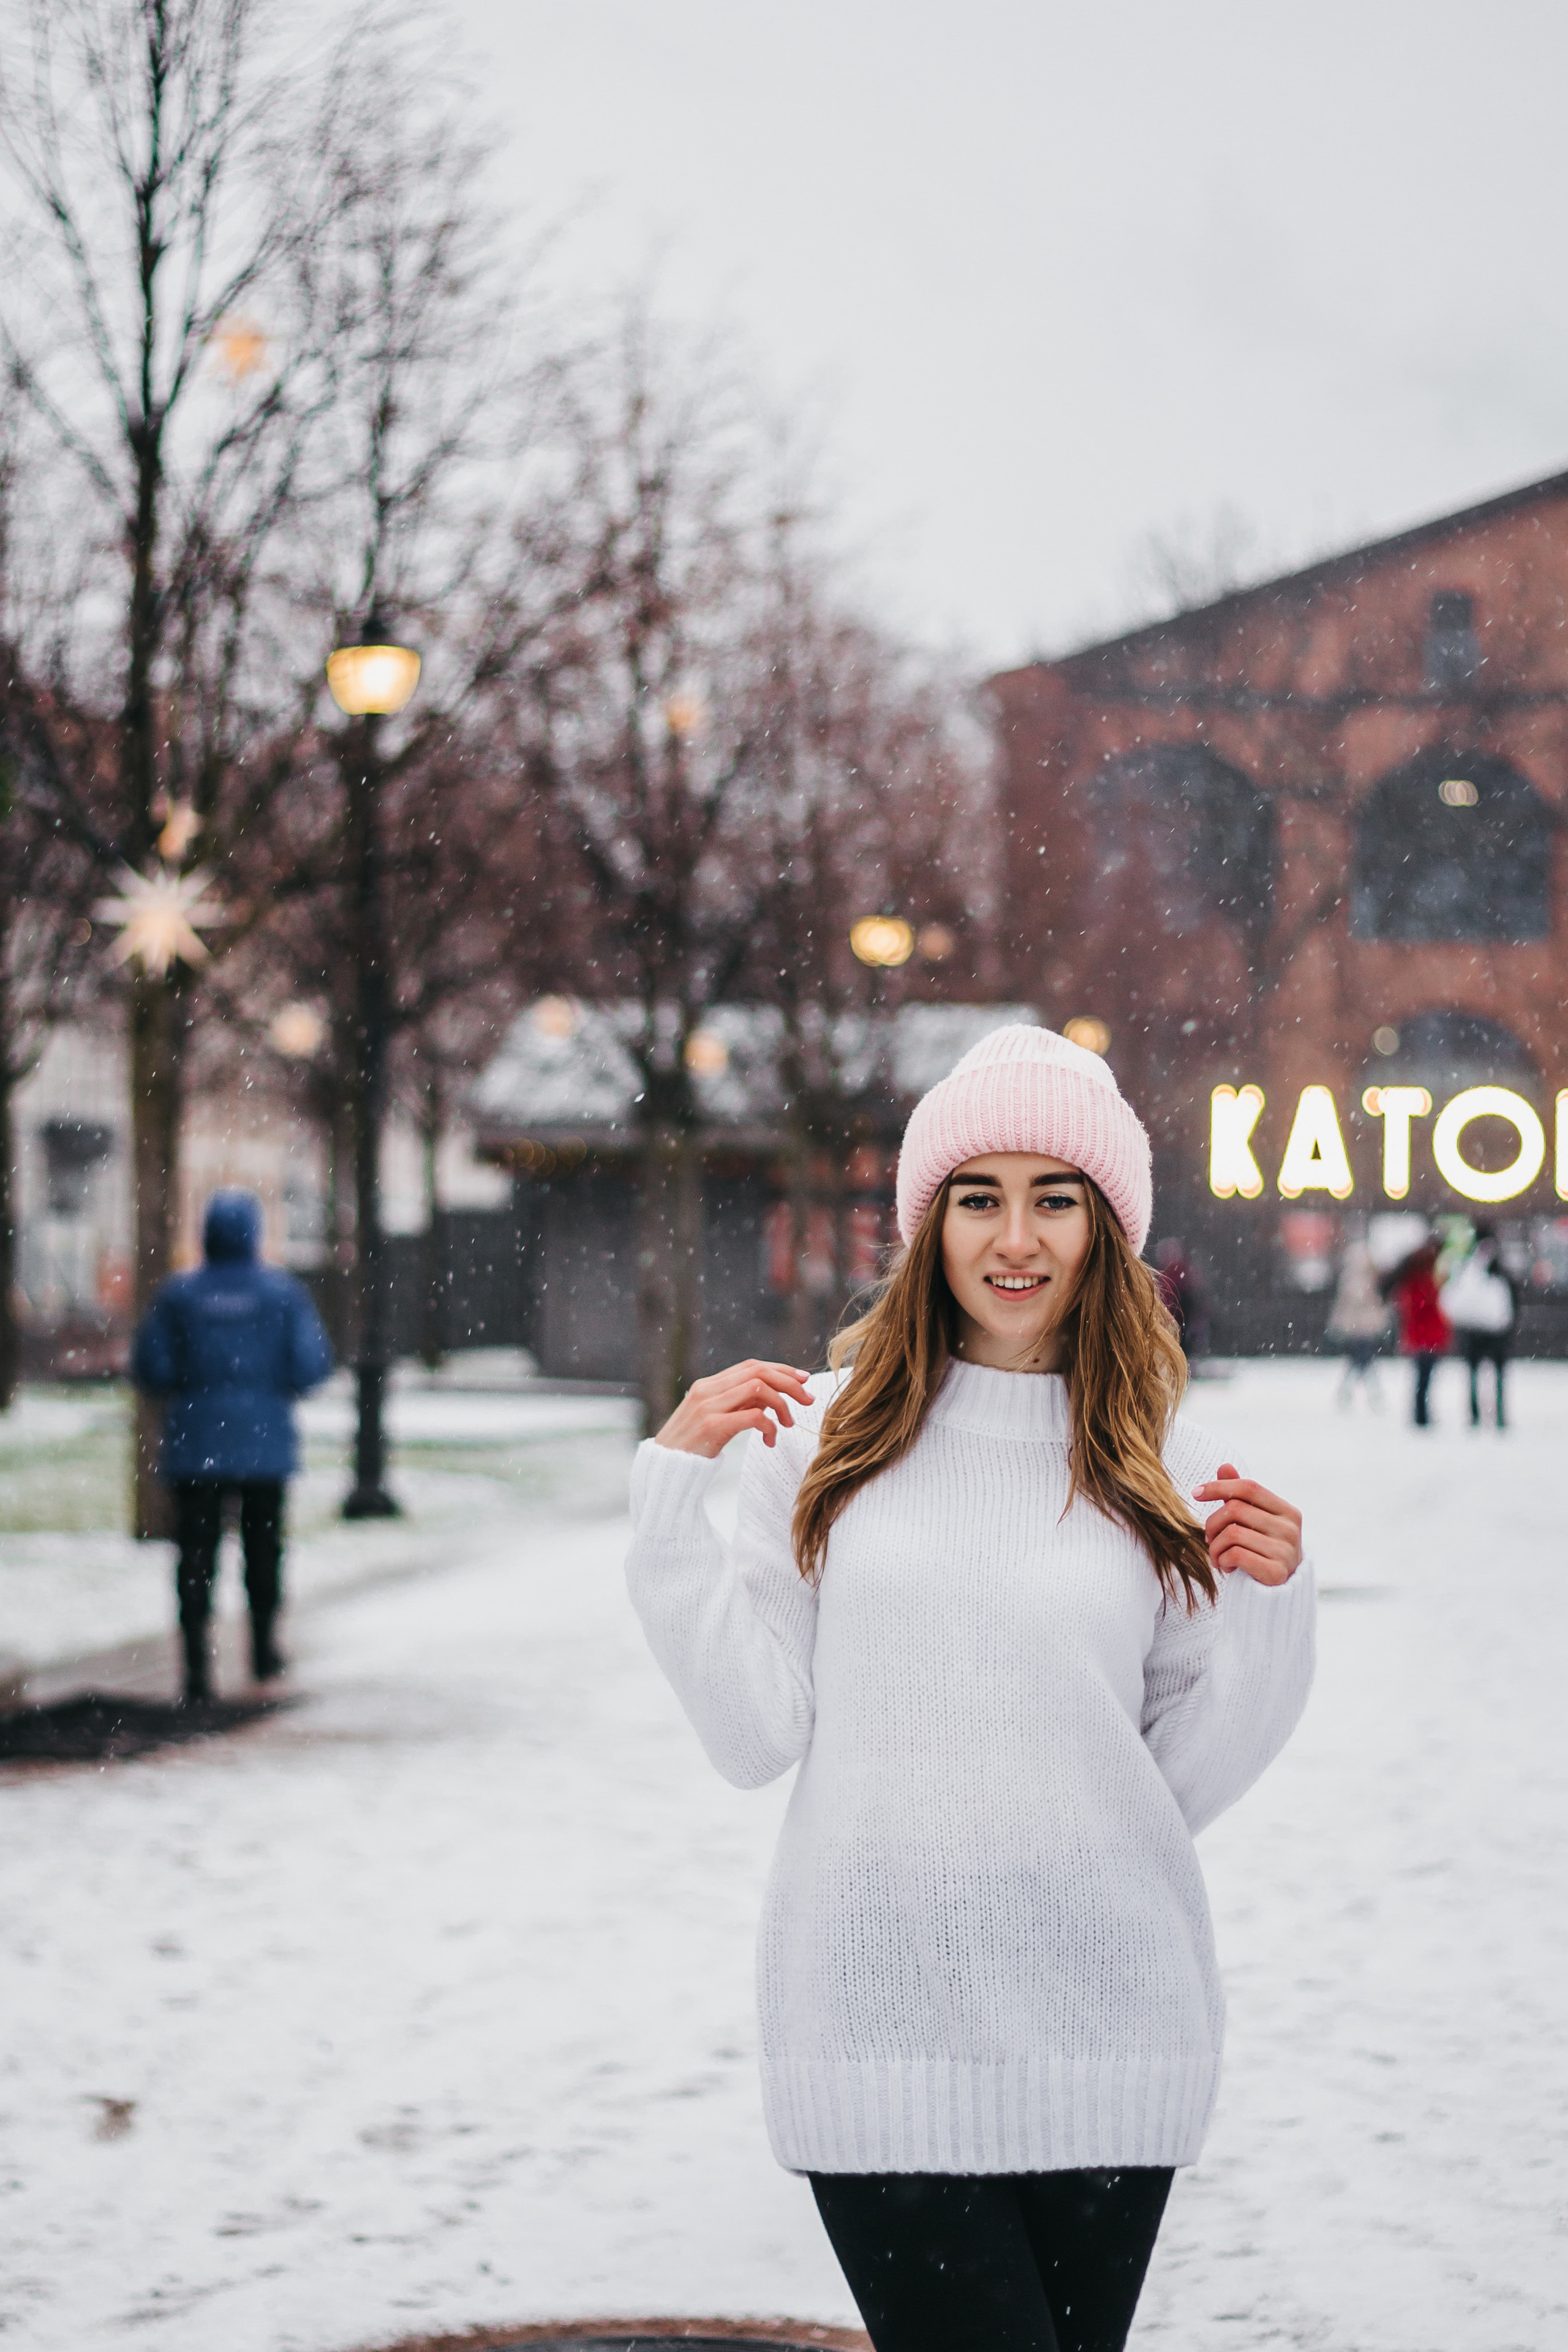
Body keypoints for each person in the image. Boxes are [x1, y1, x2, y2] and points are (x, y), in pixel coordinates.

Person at [625, 1025, 1313, 2352]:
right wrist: (668, 1514)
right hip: (876, 2025)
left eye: (1054, 1198)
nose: (1015, 1238)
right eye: (977, 1197)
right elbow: (755, 1733)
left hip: (1110, 2026)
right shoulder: (823, 1442)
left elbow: (1176, 1782)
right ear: (925, 1224)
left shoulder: (1169, 1458)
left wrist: (1272, 1614)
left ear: (1105, 1228)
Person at [132, 1188, 335, 1705]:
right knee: (263, 1551)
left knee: (196, 1557)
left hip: (195, 1445)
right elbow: (310, 1367)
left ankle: (197, 1665)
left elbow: (151, 1369)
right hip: (265, 1447)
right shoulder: (282, 1295)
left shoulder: (179, 1296)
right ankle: (264, 1650)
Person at [1439, 1223, 1519, 1430]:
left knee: (1474, 1375)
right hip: (1496, 1333)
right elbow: (1512, 1301)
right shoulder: (1499, 1268)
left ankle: (1475, 1415)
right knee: (1497, 1377)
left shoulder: (1470, 1266)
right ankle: (1500, 1416)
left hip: (1475, 1331)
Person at [1380, 1233, 1449, 1428]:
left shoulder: (1416, 1280)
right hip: (1425, 1338)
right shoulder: (1422, 1282)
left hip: (1422, 1337)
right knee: (1423, 1381)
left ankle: (1422, 1416)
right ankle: (1421, 1417)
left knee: (1423, 1380)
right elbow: (1423, 1307)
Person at [1326, 1235, 1389, 1408]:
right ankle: (1369, 1393)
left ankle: (1351, 1392)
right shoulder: (1361, 1278)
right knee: (1363, 1360)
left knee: (1360, 1360)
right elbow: (1352, 1301)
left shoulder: (1369, 1278)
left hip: (1361, 1327)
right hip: (1360, 1327)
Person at [1154, 1236, 1209, 1360]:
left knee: (1182, 1342)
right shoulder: (1165, 1275)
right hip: (1173, 1316)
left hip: (1179, 1315)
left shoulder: (1181, 1274)